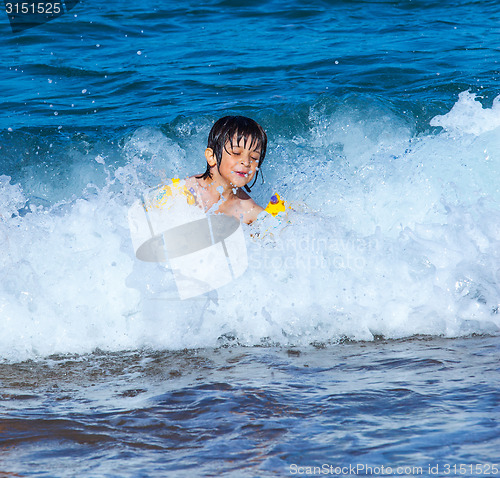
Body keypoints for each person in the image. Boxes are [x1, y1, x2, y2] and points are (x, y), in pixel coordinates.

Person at [184, 115, 267, 224]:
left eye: (254, 157)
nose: (246, 162)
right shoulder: (188, 191)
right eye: (237, 153)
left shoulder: (251, 213)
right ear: (211, 157)